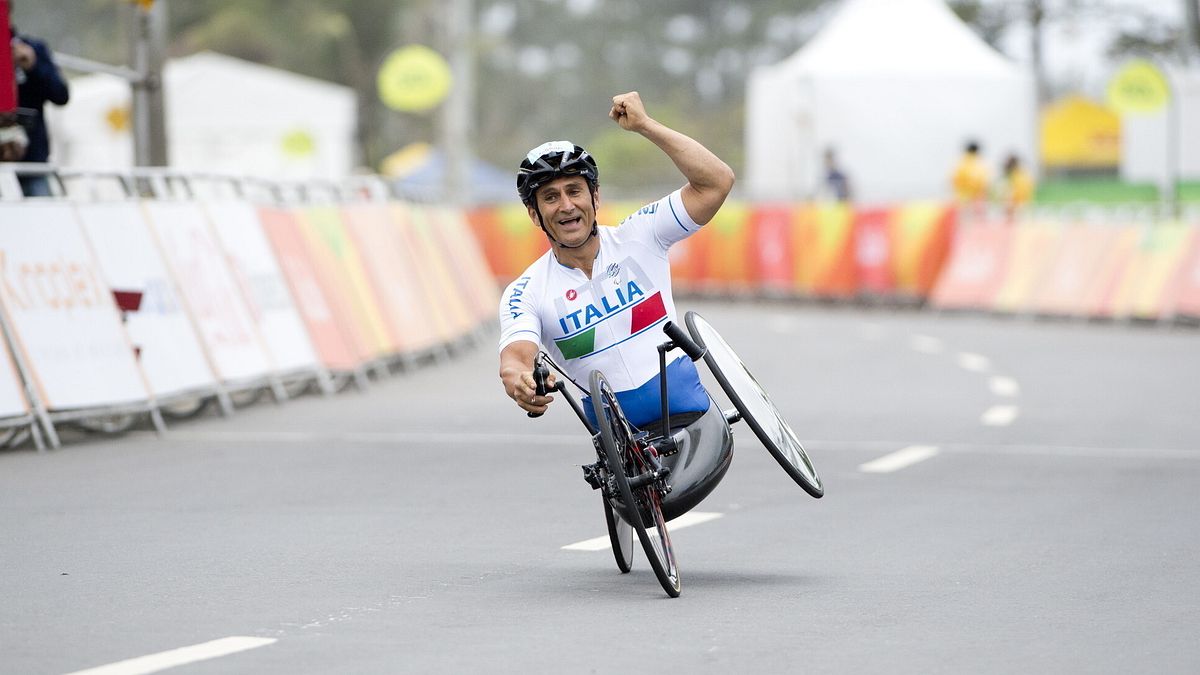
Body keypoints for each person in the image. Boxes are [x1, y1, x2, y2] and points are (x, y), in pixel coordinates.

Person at [498, 91, 735, 427]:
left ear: (595, 196)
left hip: (690, 412)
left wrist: (646, 126)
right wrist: (521, 382)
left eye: (574, 190)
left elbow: (716, 182)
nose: (565, 205)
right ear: (535, 215)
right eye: (550, 197)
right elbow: (515, 359)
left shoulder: (639, 234)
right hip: (623, 451)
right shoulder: (526, 290)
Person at [8, 6, 69, 196]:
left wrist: (33, 66)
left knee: (43, 218)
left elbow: (61, 95)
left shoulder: (32, 49)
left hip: (33, 164)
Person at [1001, 153, 1034, 220]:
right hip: (1024, 206)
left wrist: (1009, 206)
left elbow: (1013, 195)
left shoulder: (1017, 177)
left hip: (1018, 208)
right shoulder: (1024, 174)